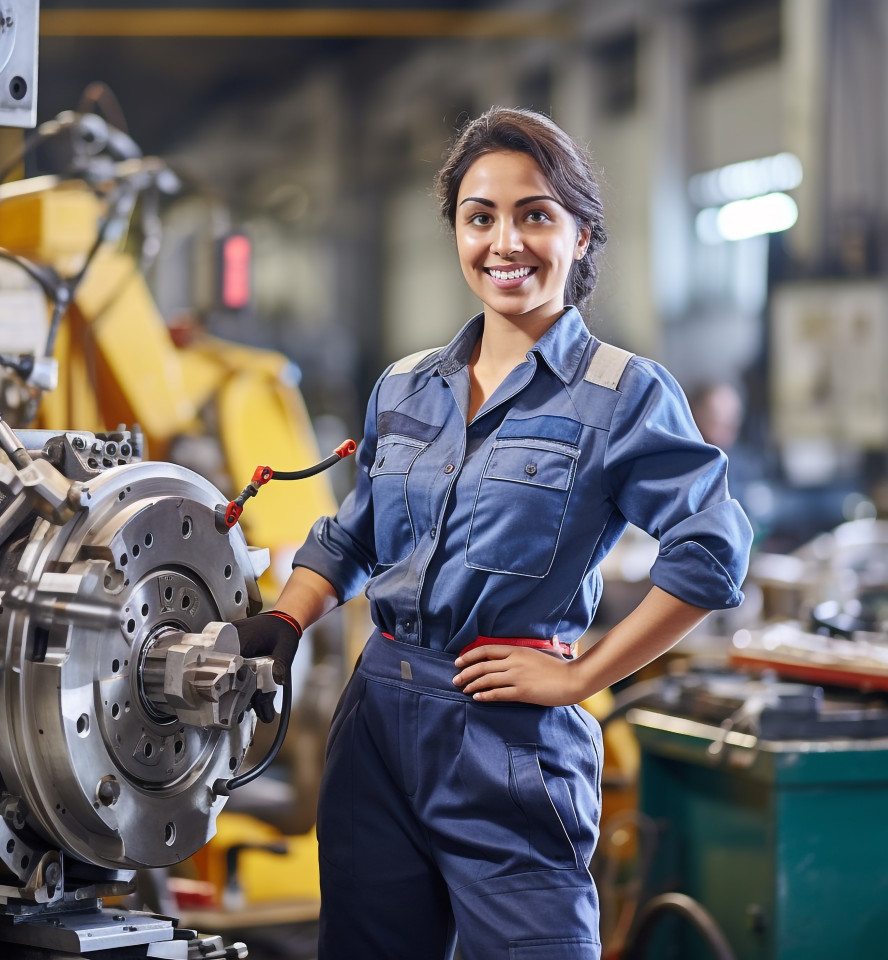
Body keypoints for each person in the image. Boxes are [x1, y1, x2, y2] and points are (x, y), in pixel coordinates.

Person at [234, 106, 752, 960]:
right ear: (457, 234)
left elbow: (713, 550)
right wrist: (284, 622)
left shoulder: (624, 394)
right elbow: (354, 535)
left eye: (534, 214)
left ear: (581, 236)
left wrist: (580, 674)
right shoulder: (406, 385)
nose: (505, 242)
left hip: (507, 734)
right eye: (481, 217)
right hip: (376, 725)